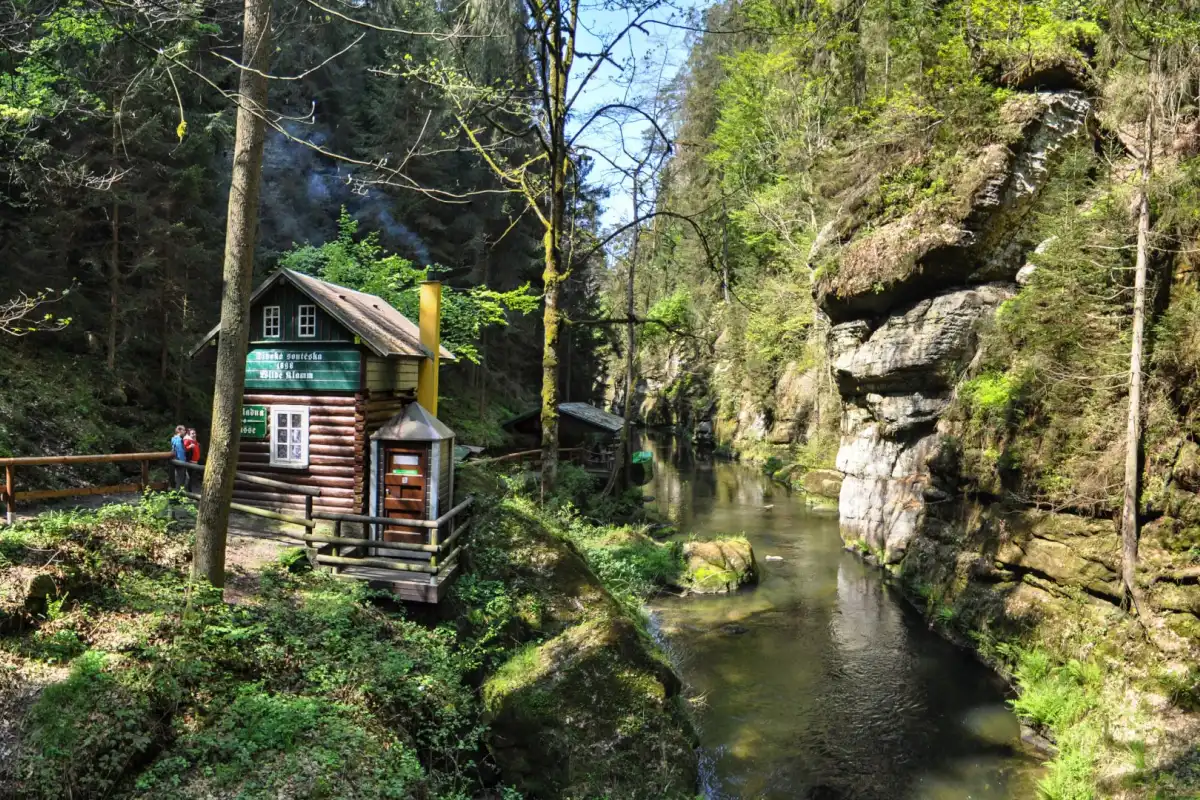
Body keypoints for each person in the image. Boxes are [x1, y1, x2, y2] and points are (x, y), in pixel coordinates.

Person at [170, 425, 189, 492]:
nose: (185, 432)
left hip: (176, 461)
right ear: (179, 431)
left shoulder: (174, 439)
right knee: (182, 480)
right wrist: (183, 462)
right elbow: (180, 451)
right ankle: (178, 495)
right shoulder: (178, 440)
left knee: (181, 479)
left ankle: (178, 494)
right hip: (180, 462)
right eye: (184, 430)